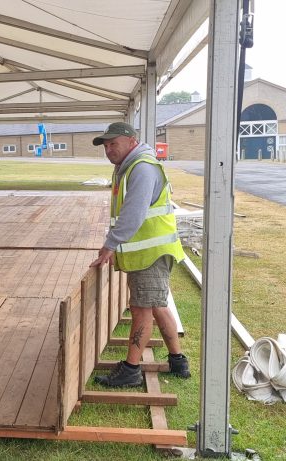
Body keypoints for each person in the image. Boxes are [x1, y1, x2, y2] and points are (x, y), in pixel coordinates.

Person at [89, 122, 191, 388]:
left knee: (141, 309)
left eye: (114, 144)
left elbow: (133, 213)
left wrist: (110, 244)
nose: (109, 150)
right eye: (106, 146)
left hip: (151, 254)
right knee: (156, 305)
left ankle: (131, 370)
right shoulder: (129, 166)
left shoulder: (142, 168)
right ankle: (178, 361)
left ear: (131, 141)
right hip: (150, 252)